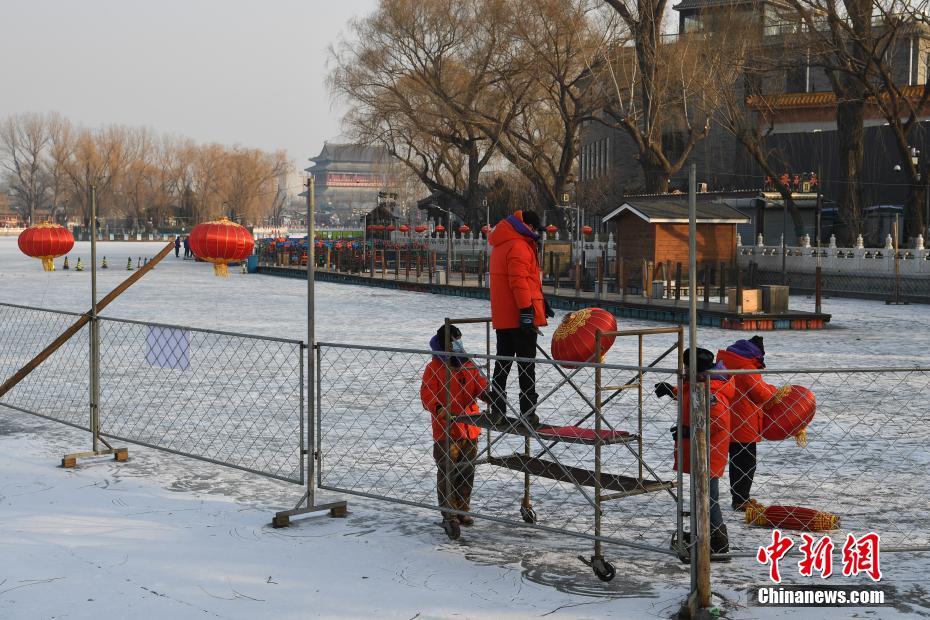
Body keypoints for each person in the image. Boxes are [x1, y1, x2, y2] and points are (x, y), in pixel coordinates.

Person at [655, 348, 735, 554]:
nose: (684, 370)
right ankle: (704, 534)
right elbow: (690, 396)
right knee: (701, 495)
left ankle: (718, 540)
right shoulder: (699, 382)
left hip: (710, 451)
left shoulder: (711, 390)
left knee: (709, 497)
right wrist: (671, 391)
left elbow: (717, 422)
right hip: (700, 449)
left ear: (694, 368)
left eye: (686, 366)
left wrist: (687, 430)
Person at [420, 324, 490, 540]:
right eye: (455, 340)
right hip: (446, 430)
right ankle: (449, 514)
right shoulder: (434, 368)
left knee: (467, 472)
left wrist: (490, 396)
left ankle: (462, 509)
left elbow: (481, 386)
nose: (459, 343)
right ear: (445, 343)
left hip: (470, 428)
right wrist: (440, 409)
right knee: (448, 473)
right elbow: (427, 395)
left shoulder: (467, 363)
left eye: (460, 339)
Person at [488, 210, 553, 427]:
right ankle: (528, 412)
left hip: (504, 318)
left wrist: (541, 302)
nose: (536, 233)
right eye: (535, 228)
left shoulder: (501, 244)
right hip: (520, 317)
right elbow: (519, 282)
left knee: (503, 363)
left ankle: (497, 409)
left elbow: (523, 283)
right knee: (527, 366)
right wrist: (527, 309)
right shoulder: (519, 246)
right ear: (528, 226)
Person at [716, 335, 777, 511]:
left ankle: (725, 497)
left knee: (726, 462)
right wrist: (774, 389)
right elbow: (761, 394)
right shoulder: (747, 368)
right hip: (744, 424)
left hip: (722, 420)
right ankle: (741, 499)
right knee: (745, 463)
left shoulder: (723, 363)